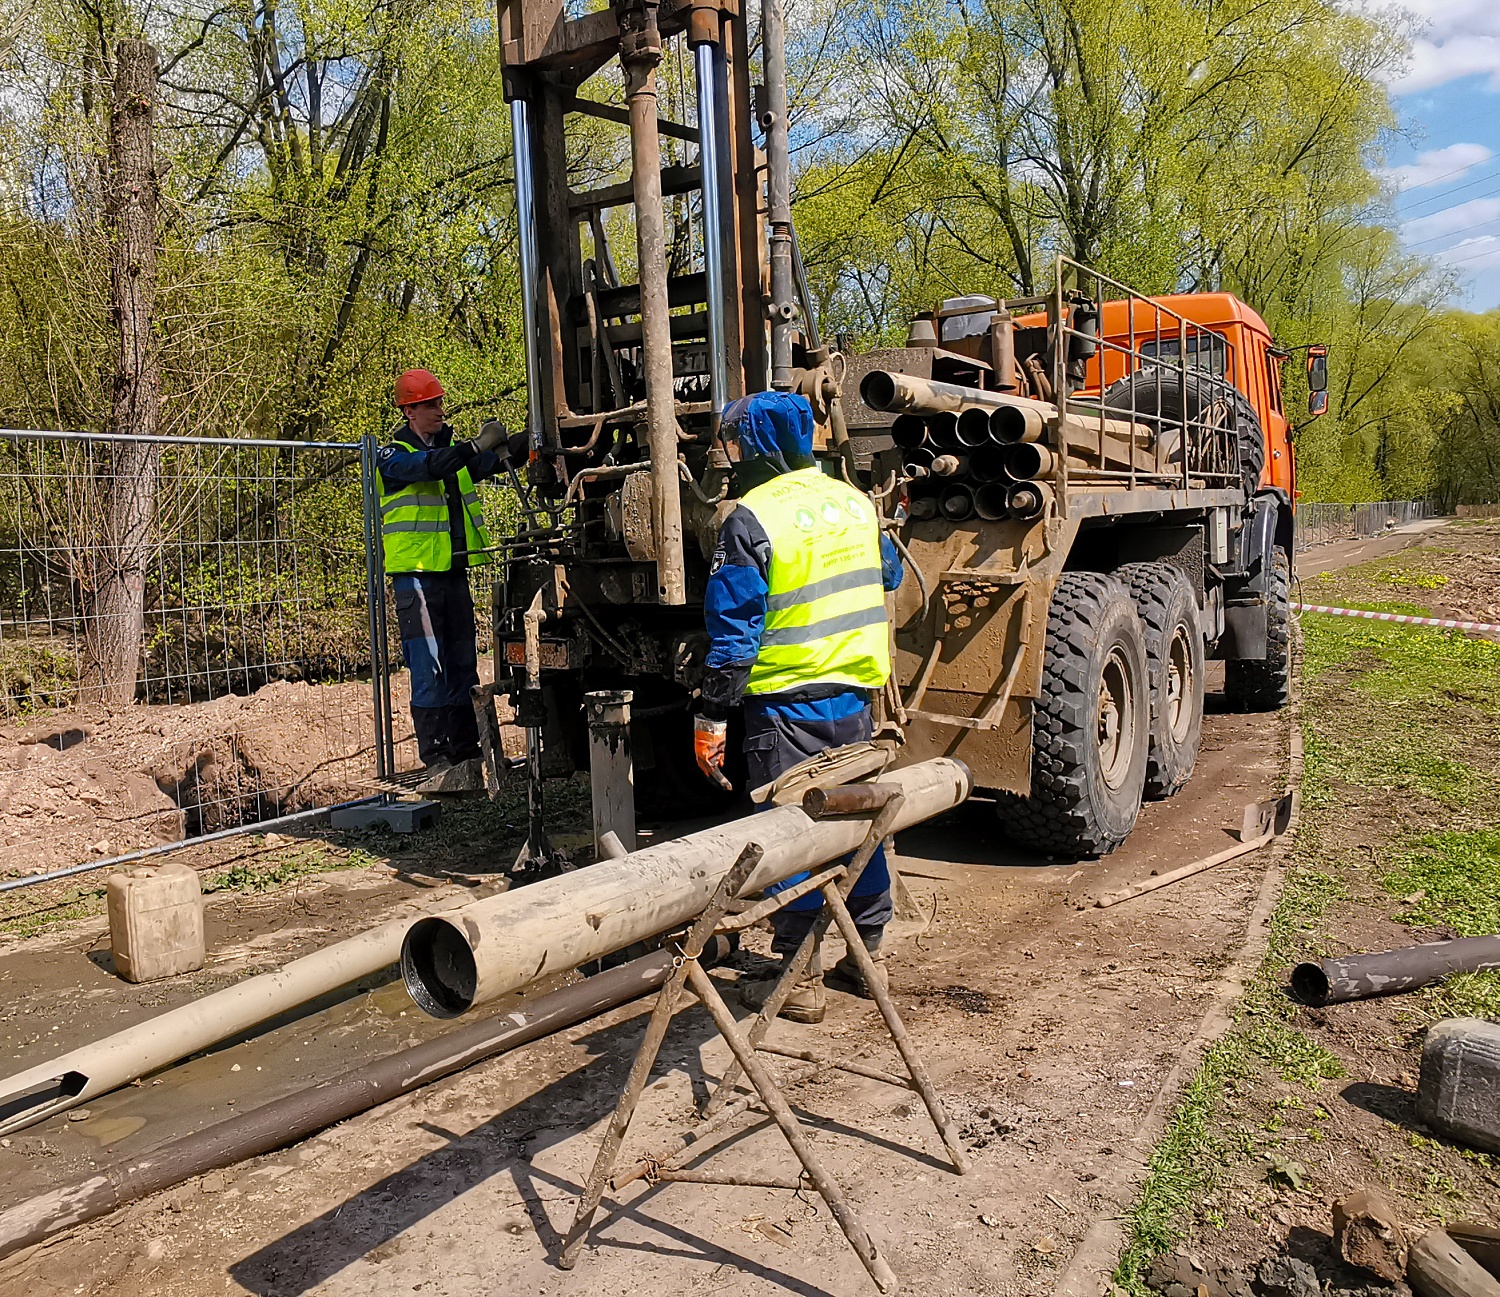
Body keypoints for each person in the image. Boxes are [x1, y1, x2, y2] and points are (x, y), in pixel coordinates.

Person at [693, 391, 904, 1024]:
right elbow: (888, 576)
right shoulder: (853, 502)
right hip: (855, 704)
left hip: (786, 709)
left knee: (795, 836)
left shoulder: (750, 518)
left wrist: (711, 717)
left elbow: (735, 631)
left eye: (733, 444)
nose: (728, 457)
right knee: (857, 824)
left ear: (755, 446)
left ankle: (797, 976)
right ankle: (867, 959)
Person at [377, 368, 513, 793]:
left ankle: (468, 755)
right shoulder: (392, 456)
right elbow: (431, 467)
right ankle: (438, 760)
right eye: (431, 404)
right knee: (429, 666)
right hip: (415, 577)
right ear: (410, 410)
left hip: (453, 571)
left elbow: (483, 463)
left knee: (461, 662)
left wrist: (529, 440)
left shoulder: (453, 448)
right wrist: (475, 445)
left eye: (439, 402)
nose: (439, 410)